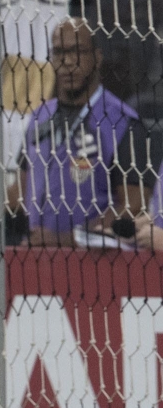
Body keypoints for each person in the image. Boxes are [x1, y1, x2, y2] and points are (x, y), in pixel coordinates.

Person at [19, 18, 152, 247]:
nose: (68, 61)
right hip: (35, 261)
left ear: (97, 58)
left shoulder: (123, 122)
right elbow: (19, 190)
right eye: (59, 52)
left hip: (96, 267)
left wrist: (64, 240)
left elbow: (133, 205)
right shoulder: (39, 116)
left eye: (78, 51)